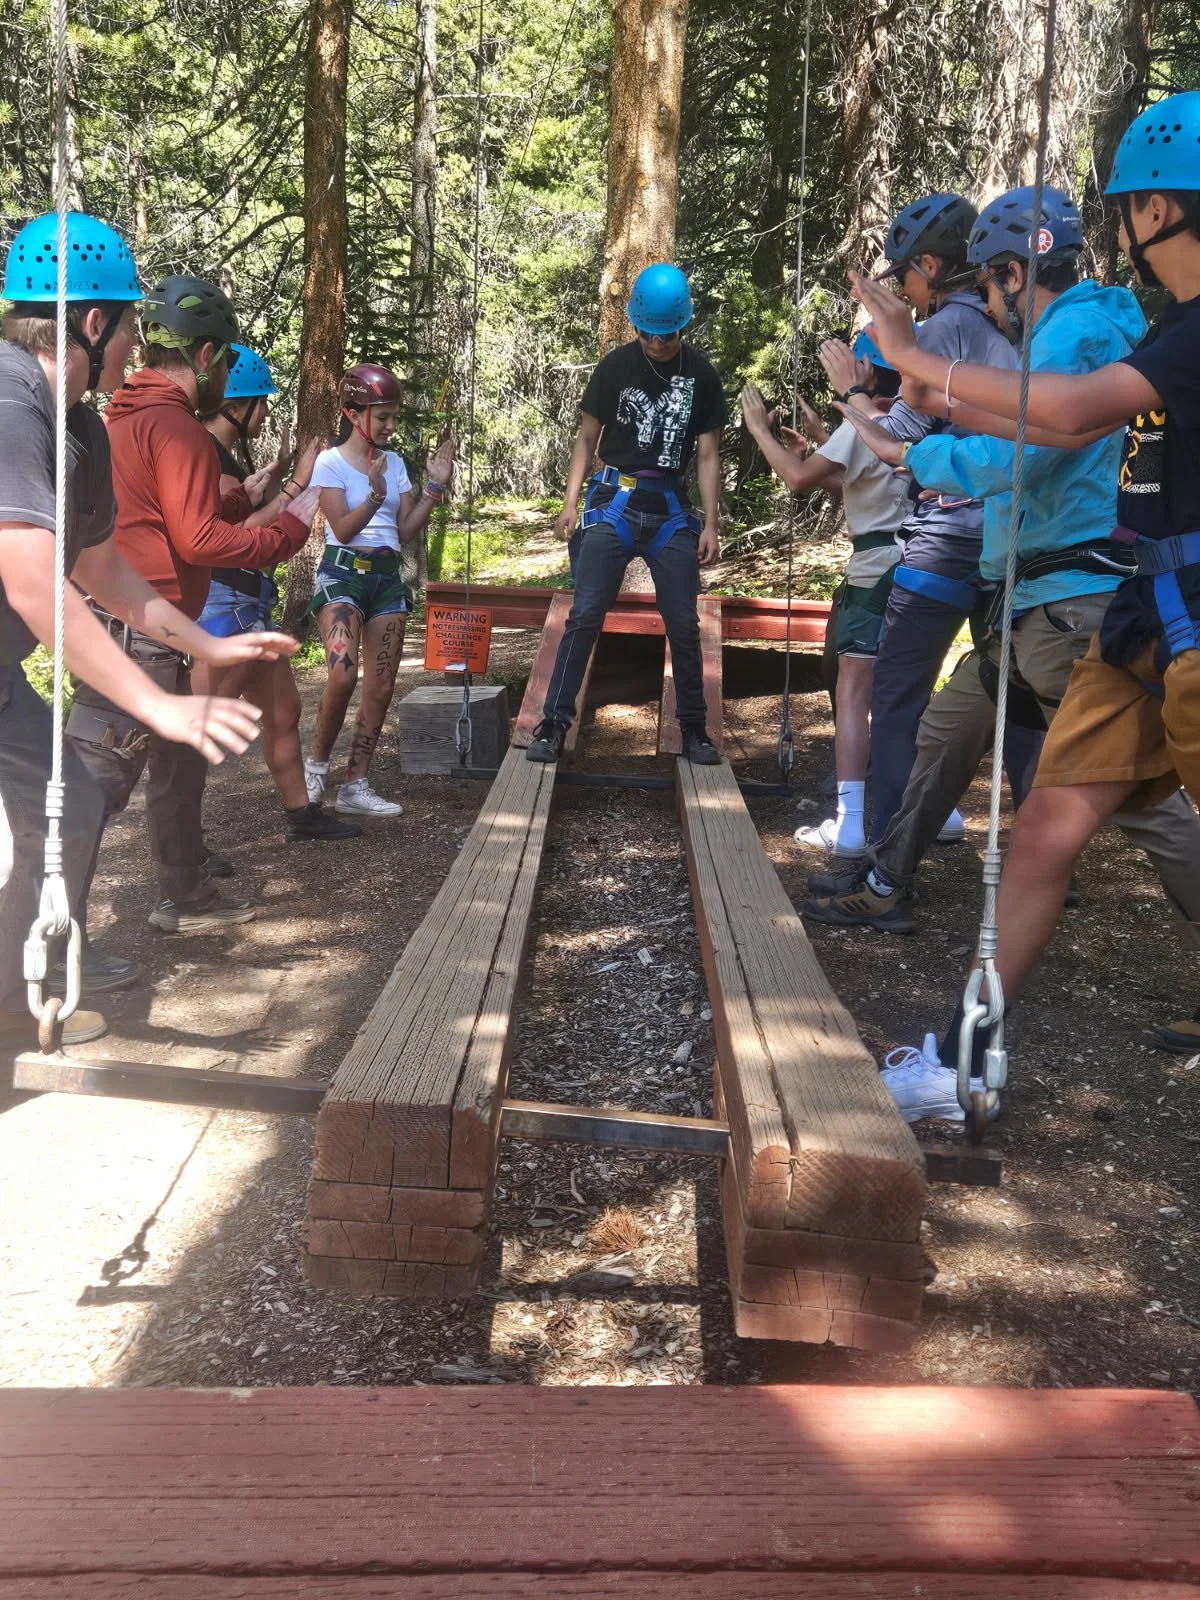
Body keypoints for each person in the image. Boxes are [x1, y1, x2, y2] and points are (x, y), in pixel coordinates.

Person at [846, 91, 1200, 1113]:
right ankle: (964, 1063)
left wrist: (916, 368)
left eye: (1133, 204)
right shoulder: (1164, 329)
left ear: (1156, 209)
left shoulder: (1150, 330)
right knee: (1044, 831)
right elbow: (1059, 423)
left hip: (1152, 615)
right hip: (1141, 617)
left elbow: (1068, 418)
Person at [0, 213, 280, 1042]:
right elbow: (27, 578)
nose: (135, 348)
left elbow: (98, 568)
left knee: (69, 805)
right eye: (130, 328)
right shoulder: (13, 401)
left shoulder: (79, 423)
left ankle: (17, 1012)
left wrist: (207, 646)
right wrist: (158, 707)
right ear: (93, 324)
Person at [68, 275, 320, 935]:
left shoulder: (124, 415)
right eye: (227, 360)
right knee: (98, 787)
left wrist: (243, 496)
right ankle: (56, 938)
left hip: (147, 625)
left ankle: (185, 894)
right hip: (141, 632)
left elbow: (167, 510)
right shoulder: (175, 427)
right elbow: (199, 538)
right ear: (206, 357)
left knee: (178, 772)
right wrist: (291, 525)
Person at [847, 193, 1022, 848]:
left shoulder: (943, 331)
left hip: (946, 542)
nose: (906, 292)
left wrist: (854, 393)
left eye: (905, 277)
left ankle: (881, 863)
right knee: (1017, 702)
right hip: (1008, 538)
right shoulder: (1009, 327)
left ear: (928, 263)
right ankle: (1038, 865)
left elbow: (897, 446)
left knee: (896, 700)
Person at [526, 263, 726, 764]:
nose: (655, 343)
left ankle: (695, 730)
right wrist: (570, 503)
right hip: (613, 499)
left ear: (683, 325)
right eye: (646, 333)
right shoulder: (616, 366)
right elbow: (587, 438)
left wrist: (712, 522)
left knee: (683, 621)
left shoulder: (701, 374)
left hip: (671, 507)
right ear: (635, 323)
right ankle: (551, 725)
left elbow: (707, 455)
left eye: (666, 334)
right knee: (585, 614)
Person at [742, 328, 909, 855]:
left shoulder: (862, 426)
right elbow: (864, 489)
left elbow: (796, 479)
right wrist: (820, 441)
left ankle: (851, 823)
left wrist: (759, 433)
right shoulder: (911, 419)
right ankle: (937, 807)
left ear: (865, 371)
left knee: (854, 694)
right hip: (919, 565)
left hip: (873, 571)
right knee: (906, 691)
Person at [193, 344, 360, 844]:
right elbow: (236, 534)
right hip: (224, 605)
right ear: (236, 405)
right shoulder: (209, 456)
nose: (266, 412)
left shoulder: (227, 455)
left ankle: (301, 814)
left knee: (283, 711)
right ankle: (181, 845)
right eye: (261, 402)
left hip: (249, 604)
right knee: (201, 725)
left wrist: (284, 479)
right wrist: (298, 486)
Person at [303, 363, 455, 817]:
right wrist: (371, 495)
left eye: (394, 417)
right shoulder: (330, 462)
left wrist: (433, 487)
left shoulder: (396, 464)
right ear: (353, 414)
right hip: (342, 575)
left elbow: (404, 530)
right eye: (382, 416)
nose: (391, 426)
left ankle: (356, 783)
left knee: (384, 683)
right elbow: (344, 531)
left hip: (387, 578)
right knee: (344, 674)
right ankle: (316, 768)